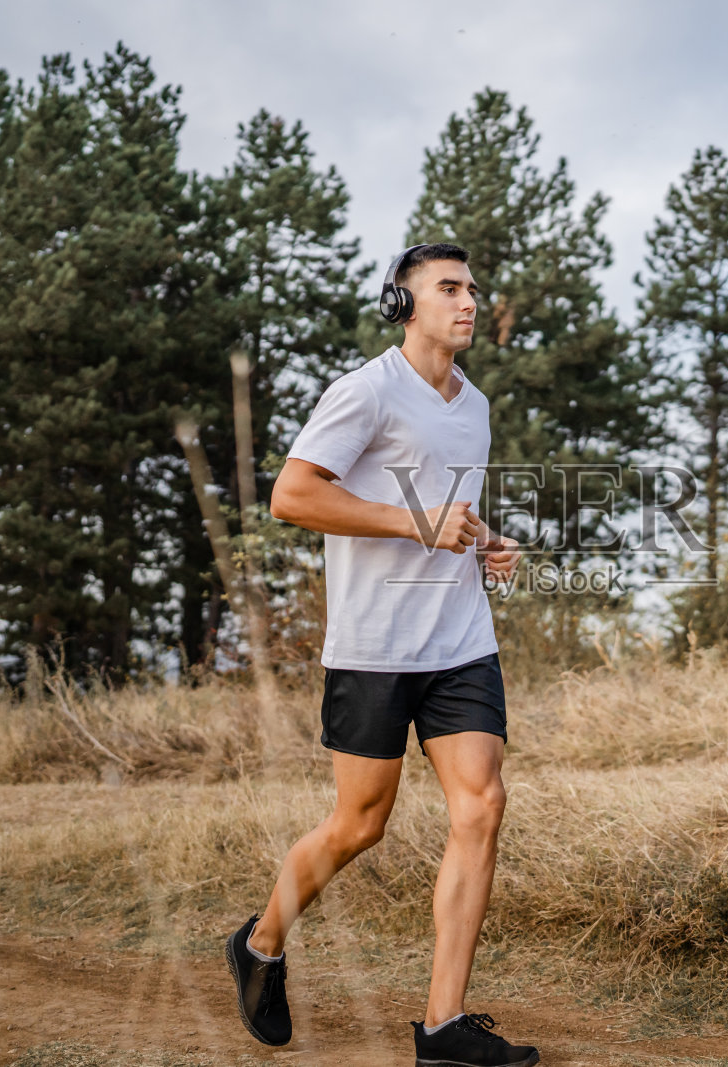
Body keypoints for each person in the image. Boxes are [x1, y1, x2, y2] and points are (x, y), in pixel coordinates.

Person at [223, 242, 539, 1067]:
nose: (469, 301)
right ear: (404, 304)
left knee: (482, 806)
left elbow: (449, 512)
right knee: (359, 823)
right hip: (373, 647)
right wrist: (414, 522)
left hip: (461, 642)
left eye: (472, 287)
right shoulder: (365, 391)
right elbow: (293, 494)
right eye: (449, 288)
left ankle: (442, 1027)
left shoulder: (475, 404)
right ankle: (259, 945)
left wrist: (485, 542)